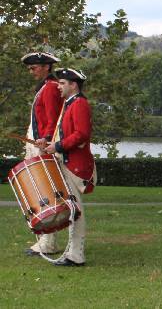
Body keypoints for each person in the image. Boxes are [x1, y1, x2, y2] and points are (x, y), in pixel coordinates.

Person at [44, 68, 97, 266]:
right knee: (71, 209)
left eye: (62, 83)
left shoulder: (79, 103)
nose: (58, 86)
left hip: (74, 166)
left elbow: (81, 134)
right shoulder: (70, 104)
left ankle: (76, 256)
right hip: (68, 162)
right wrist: (49, 142)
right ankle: (72, 252)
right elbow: (65, 133)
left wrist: (57, 146)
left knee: (75, 210)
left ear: (73, 85)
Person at [21, 51, 64, 257]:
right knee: (39, 191)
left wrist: (46, 138)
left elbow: (53, 118)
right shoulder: (45, 87)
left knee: (45, 192)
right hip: (38, 142)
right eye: (29, 69)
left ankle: (48, 242)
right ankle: (44, 240)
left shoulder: (51, 88)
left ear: (47, 66)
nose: (31, 72)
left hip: (42, 144)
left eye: (34, 67)